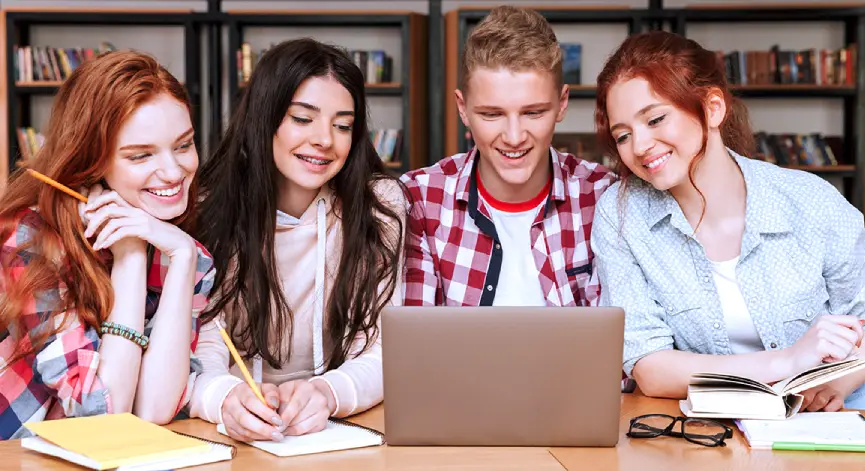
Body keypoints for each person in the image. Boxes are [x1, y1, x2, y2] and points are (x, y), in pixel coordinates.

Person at [592, 30, 865, 411]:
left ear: (712, 108)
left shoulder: (811, 200)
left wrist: (834, 386)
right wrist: (786, 363)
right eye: (623, 136)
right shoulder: (621, 214)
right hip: (720, 415)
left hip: (847, 401)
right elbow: (650, 367)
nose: (639, 147)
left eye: (655, 119)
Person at [188, 38, 405, 443]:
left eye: (342, 125)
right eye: (303, 119)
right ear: (264, 118)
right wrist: (224, 397)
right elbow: (203, 345)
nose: (325, 139)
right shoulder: (208, 207)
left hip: (342, 431)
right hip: (231, 434)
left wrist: (327, 393)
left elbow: (382, 351)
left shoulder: (380, 206)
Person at [0, 51, 215, 439]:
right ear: (92, 161)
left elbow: (153, 410)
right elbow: (104, 419)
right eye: (141, 155)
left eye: (183, 145)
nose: (174, 171)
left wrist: (183, 258)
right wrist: (130, 256)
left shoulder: (181, 252)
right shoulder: (31, 237)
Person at [402, 5, 615, 308]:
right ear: (463, 108)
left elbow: (618, 345)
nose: (514, 137)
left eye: (533, 112)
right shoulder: (420, 199)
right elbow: (414, 343)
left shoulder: (603, 197)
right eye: (492, 114)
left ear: (562, 103)